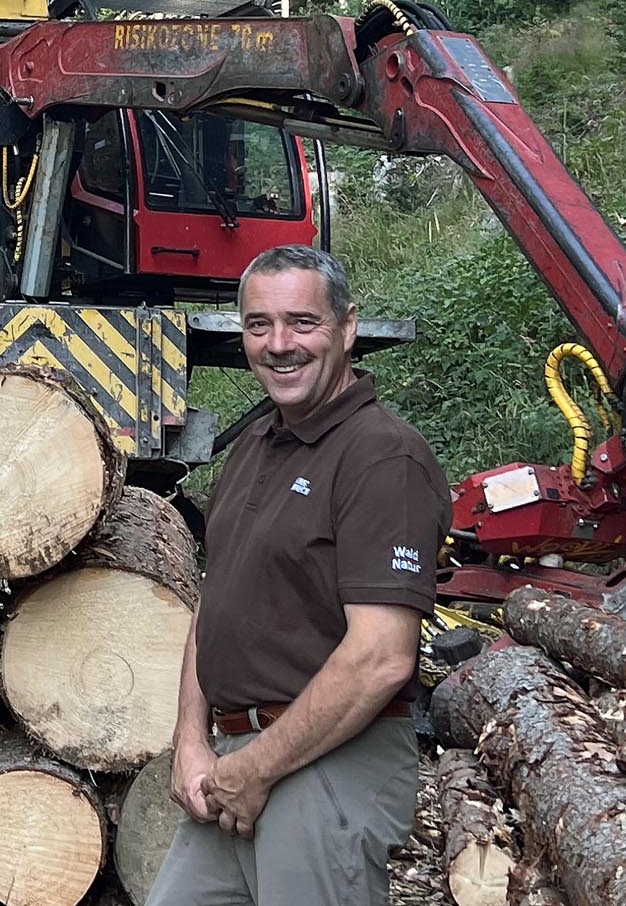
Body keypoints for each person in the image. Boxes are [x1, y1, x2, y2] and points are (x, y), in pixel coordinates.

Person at [150, 245, 445, 906]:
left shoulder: (382, 458)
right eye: (259, 325)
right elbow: (213, 601)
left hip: (325, 766)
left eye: (302, 323)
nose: (279, 344)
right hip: (235, 759)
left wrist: (256, 767)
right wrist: (192, 742)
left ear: (346, 328)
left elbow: (381, 659)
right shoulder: (255, 446)